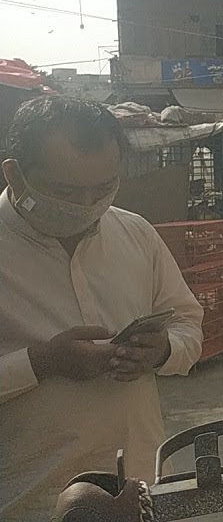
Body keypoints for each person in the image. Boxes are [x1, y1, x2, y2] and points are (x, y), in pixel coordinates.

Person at [0, 97, 205, 519]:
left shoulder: (136, 234)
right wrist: (43, 362)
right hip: (30, 503)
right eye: (65, 192)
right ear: (14, 175)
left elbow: (188, 323)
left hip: (142, 493)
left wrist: (163, 349)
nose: (88, 205)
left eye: (103, 187)